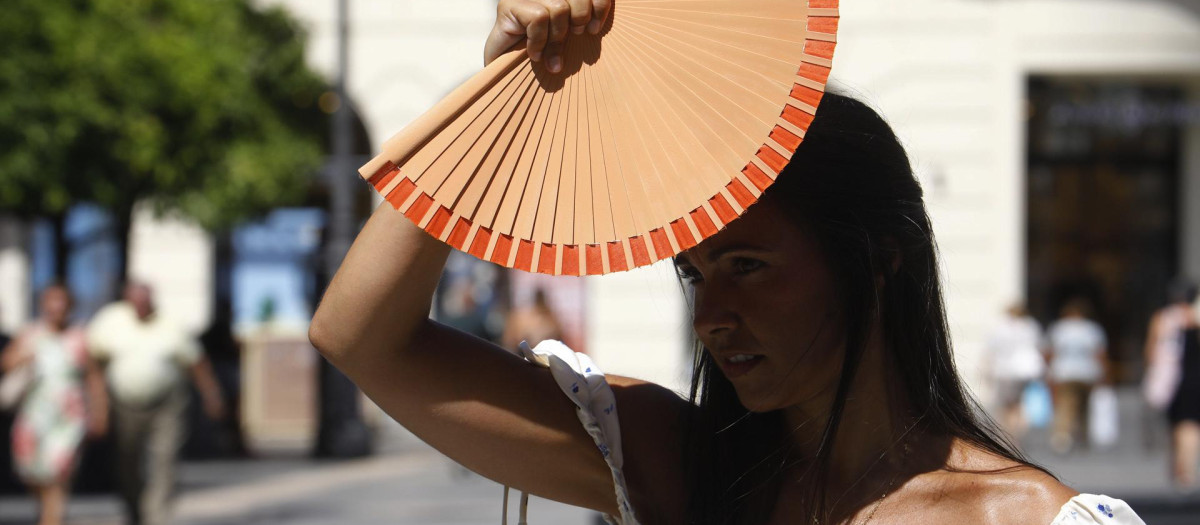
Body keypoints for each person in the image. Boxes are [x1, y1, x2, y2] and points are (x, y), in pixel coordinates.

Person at [309, 1, 1144, 523]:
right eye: (694, 273)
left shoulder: (1032, 518)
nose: (712, 314)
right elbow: (361, 337)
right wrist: (500, 91)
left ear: (878, 259)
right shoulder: (681, 463)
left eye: (747, 264)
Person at [87, 281, 225, 525]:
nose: (140, 306)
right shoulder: (110, 321)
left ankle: (157, 518)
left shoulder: (170, 324)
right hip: (123, 405)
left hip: (167, 406)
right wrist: (98, 406)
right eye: (135, 301)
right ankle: (134, 511)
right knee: (127, 462)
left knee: (165, 462)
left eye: (144, 301)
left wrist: (211, 396)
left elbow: (196, 363)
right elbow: (93, 363)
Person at [0, 283, 106, 525]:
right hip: (34, 414)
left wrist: (100, 412)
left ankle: (51, 519)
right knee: (31, 473)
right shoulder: (30, 334)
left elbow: (94, 377)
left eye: (61, 302)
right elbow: (6, 363)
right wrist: (24, 356)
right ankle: (48, 512)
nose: (56, 307)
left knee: (57, 474)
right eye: (51, 301)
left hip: (69, 416)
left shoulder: (80, 337)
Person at [1145, 281, 1200, 488]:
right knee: (1190, 425)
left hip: (1168, 381)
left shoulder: (1163, 317)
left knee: (1176, 425)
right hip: (1193, 378)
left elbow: (1150, 350)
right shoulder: (1194, 317)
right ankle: (1186, 471)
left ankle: (1178, 468)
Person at [1046, 298, 1109, 454]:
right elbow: (1099, 354)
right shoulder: (1092, 329)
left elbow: (1050, 352)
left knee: (1065, 405)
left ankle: (1062, 435)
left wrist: (1048, 371)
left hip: (1064, 372)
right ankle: (1082, 437)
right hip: (1087, 373)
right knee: (1084, 406)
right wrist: (1105, 373)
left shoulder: (1059, 328)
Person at [985, 303, 1045, 443]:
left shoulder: (1001, 328)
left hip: (1003, 371)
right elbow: (1040, 347)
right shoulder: (1030, 327)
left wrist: (987, 372)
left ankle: (1008, 435)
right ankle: (1016, 432)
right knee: (1018, 404)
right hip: (1024, 372)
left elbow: (990, 352)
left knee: (1005, 406)